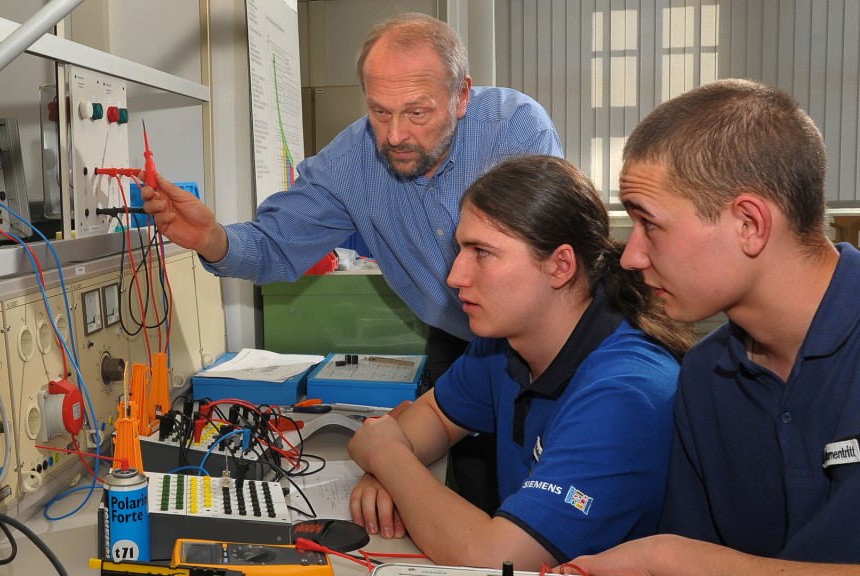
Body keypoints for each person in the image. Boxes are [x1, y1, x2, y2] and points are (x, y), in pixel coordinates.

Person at [140, 12, 562, 513]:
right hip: (457, 338)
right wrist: (212, 239)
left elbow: (546, 263)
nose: (395, 135)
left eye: (417, 113)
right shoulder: (350, 162)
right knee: (473, 490)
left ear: (462, 94)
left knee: (543, 486)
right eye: (380, 112)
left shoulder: (514, 129)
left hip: (536, 340)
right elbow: (276, 244)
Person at [561, 79, 860, 575]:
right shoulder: (706, 374)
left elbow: (690, 560)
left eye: (649, 224)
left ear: (749, 225)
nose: (631, 257)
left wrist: (670, 558)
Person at [347, 155, 694, 569]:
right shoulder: (505, 343)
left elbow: (499, 560)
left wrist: (389, 458)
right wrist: (390, 470)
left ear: (560, 266)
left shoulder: (626, 391)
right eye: (461, 249)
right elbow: (436, 417)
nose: (455, 276)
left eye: (482, 252)